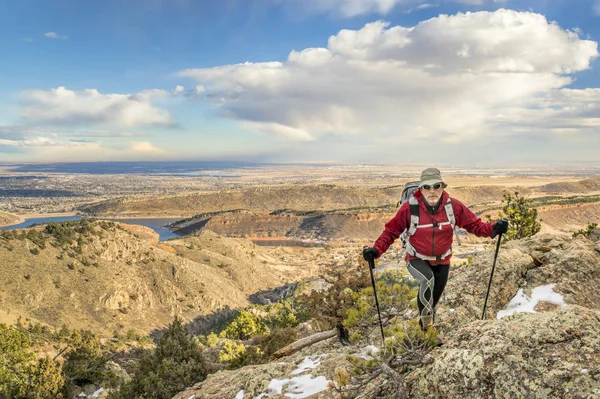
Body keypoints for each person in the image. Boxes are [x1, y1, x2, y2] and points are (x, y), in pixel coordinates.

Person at [362, 167, 508, 338]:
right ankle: (427, 332)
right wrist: (376, 250)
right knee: (427, 280)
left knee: (433, 300)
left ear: (442, 186)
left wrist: (494, 227)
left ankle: (423, 327)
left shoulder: (453, 206)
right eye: (427, 187)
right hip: (416, 258)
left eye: (436, 186)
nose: (432, 191)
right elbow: (391, 232)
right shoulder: (409, 209)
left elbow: (475, 226)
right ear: (421, 189)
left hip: (443, 260)